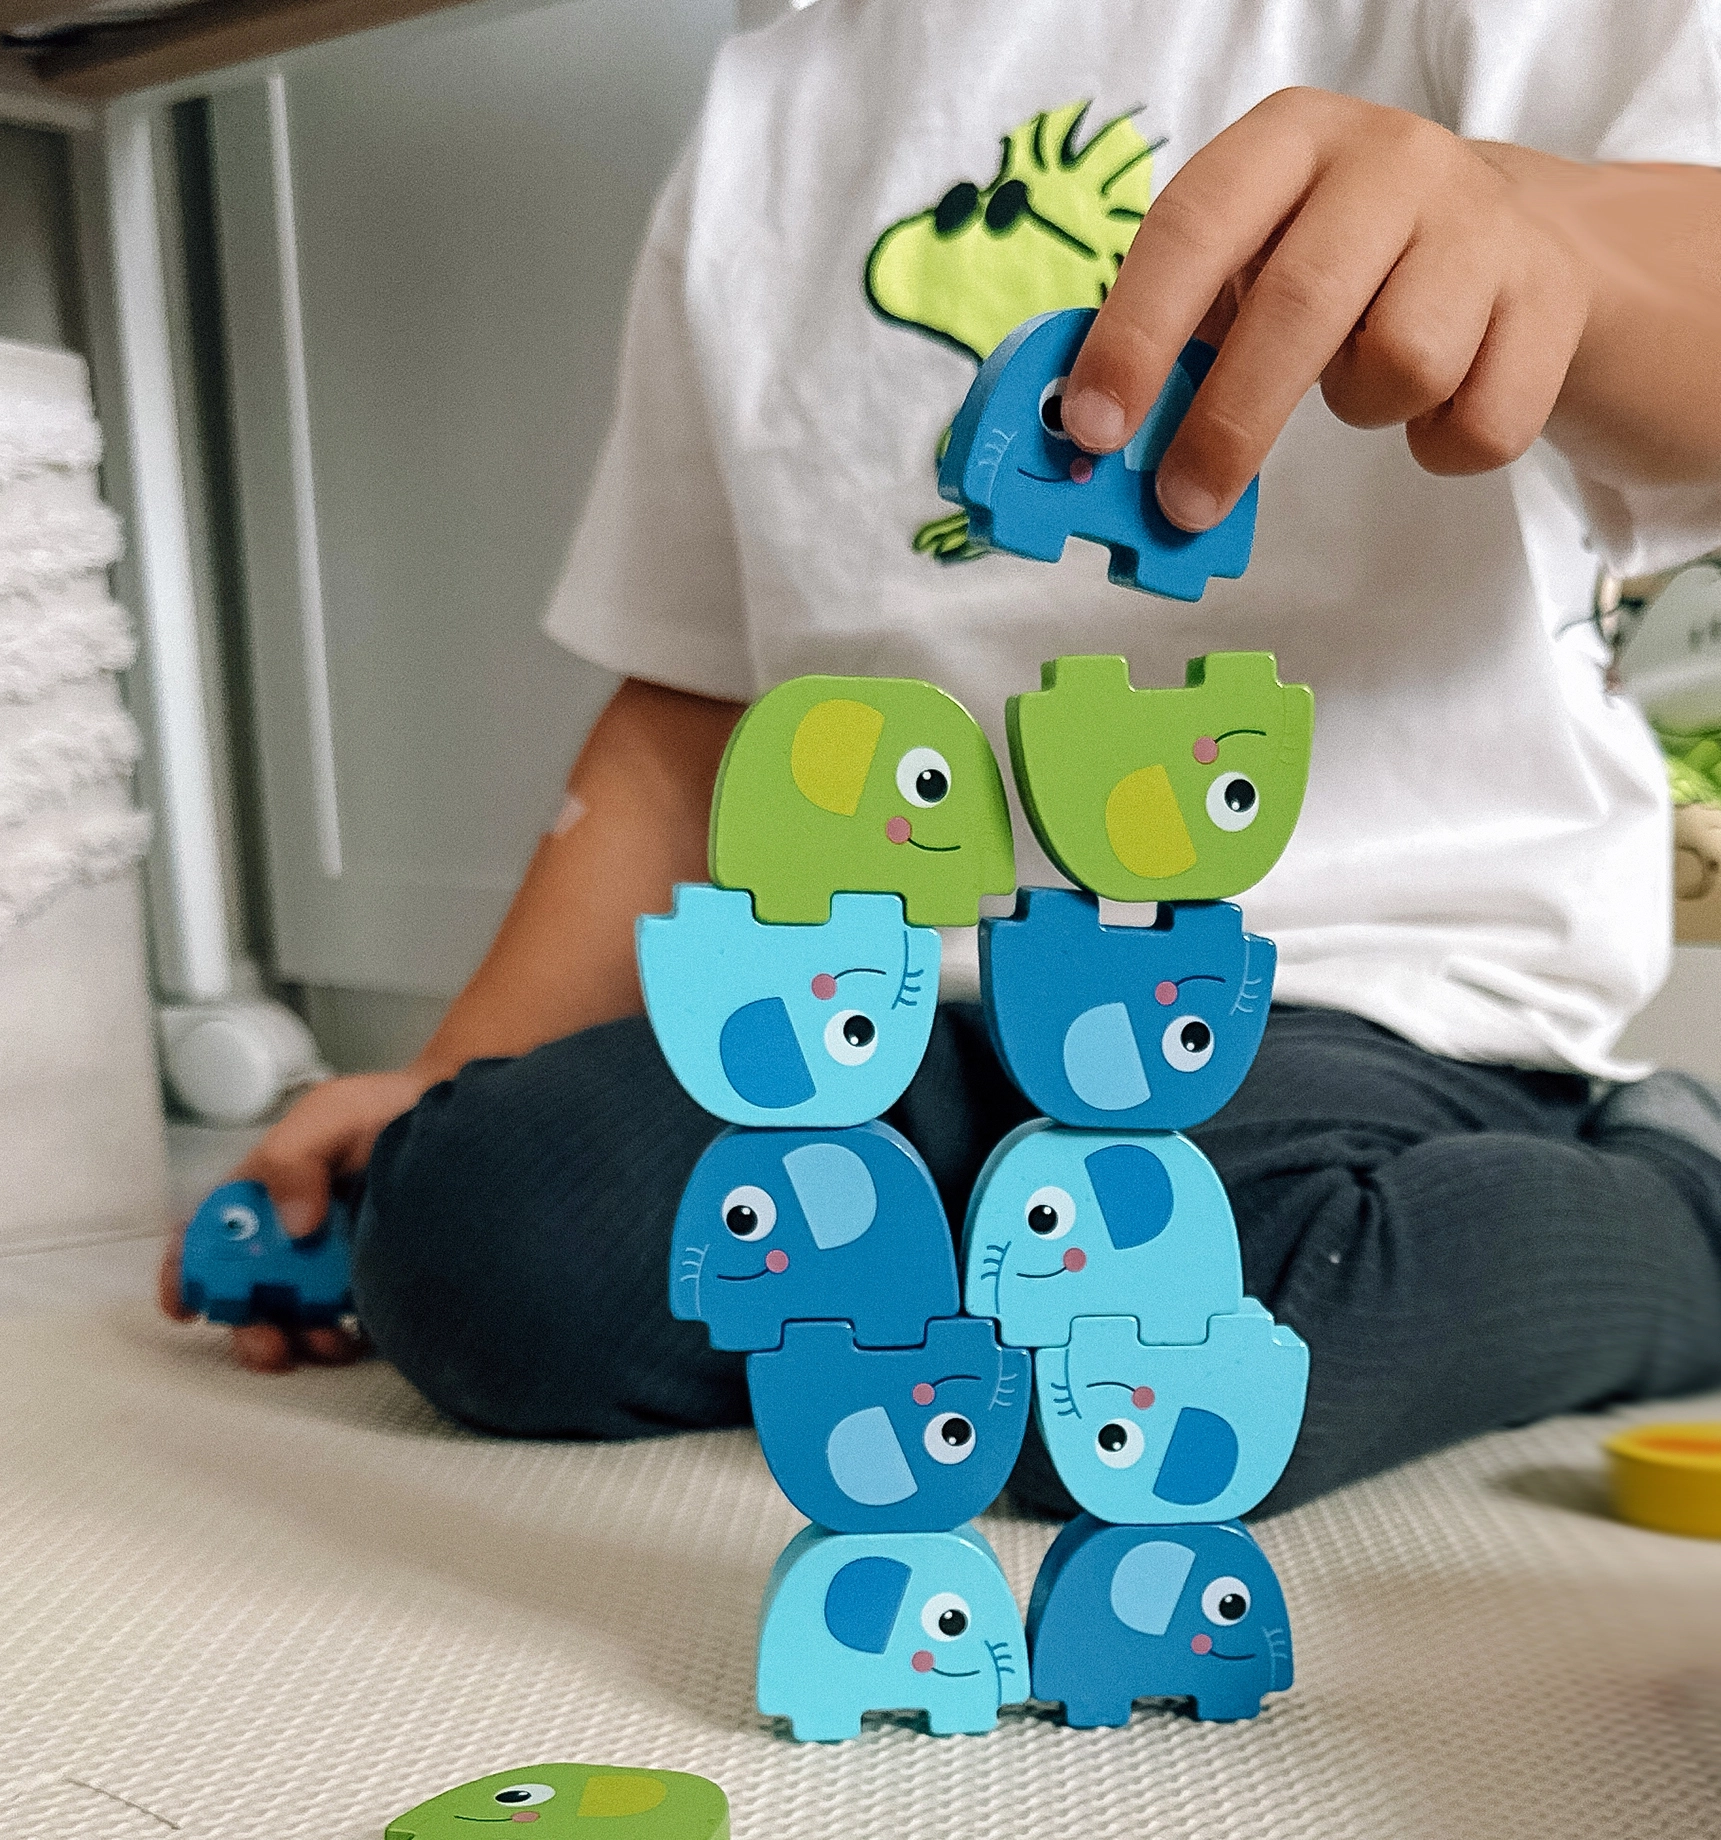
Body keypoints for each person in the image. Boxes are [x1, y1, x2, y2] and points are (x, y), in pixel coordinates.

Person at [162, 0, 1721, 1516]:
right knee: (480, 1235)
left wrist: (1550, 237)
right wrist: (452, 1073)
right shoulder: (767, 99)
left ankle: (1677, 1208)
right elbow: (701, 716)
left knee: (1135, 1378)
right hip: (888, 1006)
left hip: (1356, 990)